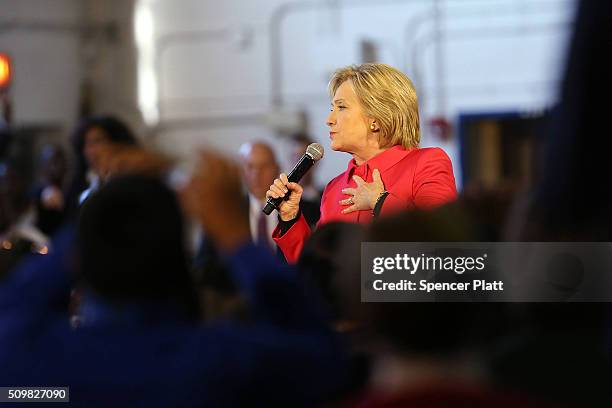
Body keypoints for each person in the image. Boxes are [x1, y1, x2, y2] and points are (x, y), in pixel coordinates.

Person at [0, 150, 349, 406]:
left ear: (81, 259)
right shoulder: (225, 362)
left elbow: (11, 309)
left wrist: (101, 214)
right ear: (177, 253)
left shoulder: (35, 365)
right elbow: (322, 354)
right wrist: (235, 236)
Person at [267, 63, 457, 262]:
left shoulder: (427, 162)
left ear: (375, 117)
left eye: (341, 107)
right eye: (332, 108)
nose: (329, 119)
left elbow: (443, 237)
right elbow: (317, 270)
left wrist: (380, 201)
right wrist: (291, 219)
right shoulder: (333, 189)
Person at [66, 115, 139, 212]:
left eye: (97, 141)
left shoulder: (132, 182)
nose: (89, 151)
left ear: (118, 143)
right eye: (86, 144)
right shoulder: (83, 180)